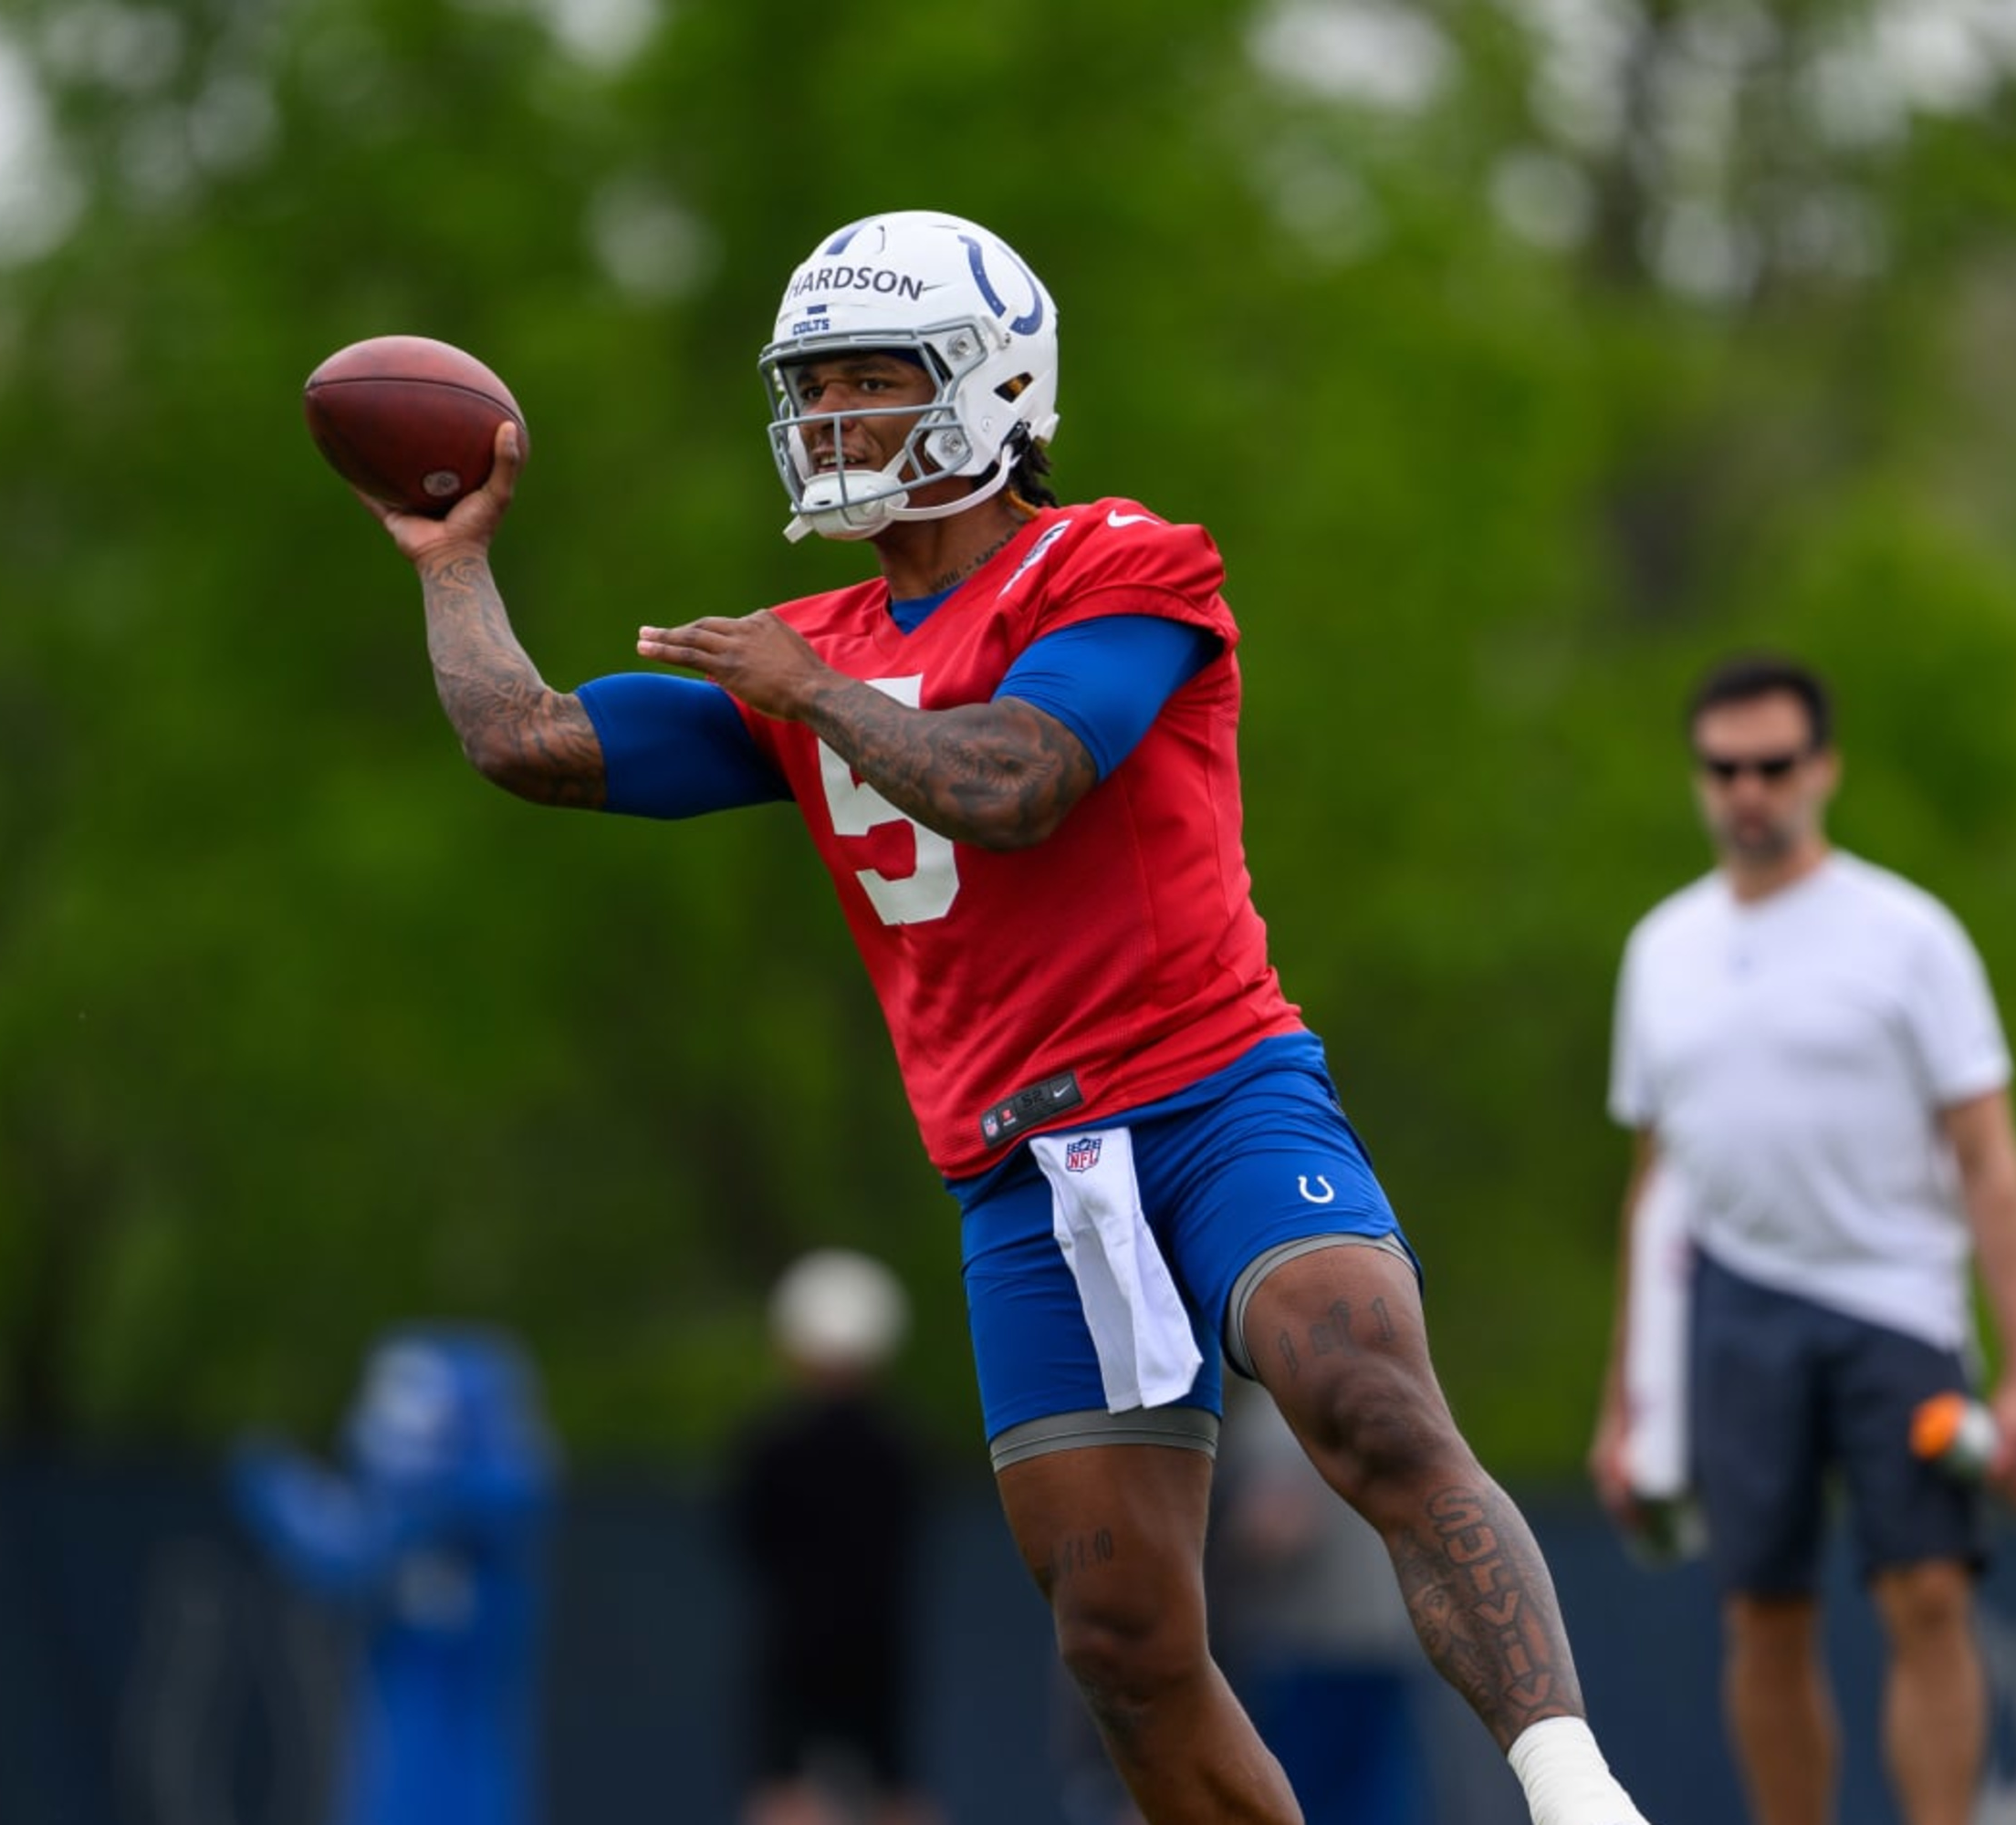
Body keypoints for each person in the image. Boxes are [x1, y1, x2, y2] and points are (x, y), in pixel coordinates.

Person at [347, 208, 1657, 1825]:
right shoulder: (809, 645)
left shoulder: (1113, 561)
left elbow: (1022, 783)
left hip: (1212, 1096)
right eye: (812, 387)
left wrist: (813, 696)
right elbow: (527, 744)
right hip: (1021, 1177)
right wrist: (456, 563)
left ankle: (1578, 1790)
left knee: (1367, 1401)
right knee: (1118, 1643)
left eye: (874, 382)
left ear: (997, 388)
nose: (831, 422)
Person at [1587, 654, 2016, 1825]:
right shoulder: (1660, 950)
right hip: (1738, 1313)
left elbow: (1992, 1163)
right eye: (1722, 768)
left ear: (1822, 769)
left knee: (1926, 1594)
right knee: (1760, 1610)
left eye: (1772, 765)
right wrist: (1624, 1404)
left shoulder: (1908, 936)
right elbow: (1653, 1192)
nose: (1748, 790)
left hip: (1894, 1305)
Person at [231, 1326, 557, 1825]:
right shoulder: (400, 1526)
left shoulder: (484, 1511)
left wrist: (287, 1493)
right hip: (394, 1792)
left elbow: (347, 1554)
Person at [726, 1248, 945, 1825]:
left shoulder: (770, 1444)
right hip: (876, 1641)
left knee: (785, 1783)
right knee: (893, 1780)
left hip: (797, 1640)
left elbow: (747, 1536)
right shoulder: (898, 1444)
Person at [1206, 1371, 1437, 1825]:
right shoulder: (1373, 1387)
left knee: (1302, 1802)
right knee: (1380, 1800)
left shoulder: (1279, 1409)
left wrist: (1207, 1552)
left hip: (1313, 1650)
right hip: (1384, 1642)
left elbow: (1280, 1525)